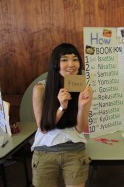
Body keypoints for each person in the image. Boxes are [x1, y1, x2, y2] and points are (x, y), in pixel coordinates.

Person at [31, 43, 93, 187]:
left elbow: (79, 128)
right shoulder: (41, 89)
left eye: (75, 59)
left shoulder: (84, 89)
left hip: (74, 150)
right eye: (64, 60)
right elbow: (43, 128)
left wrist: (82, 106)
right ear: (55, 64)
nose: (71, 64)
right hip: (45, 151)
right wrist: (61, 107)